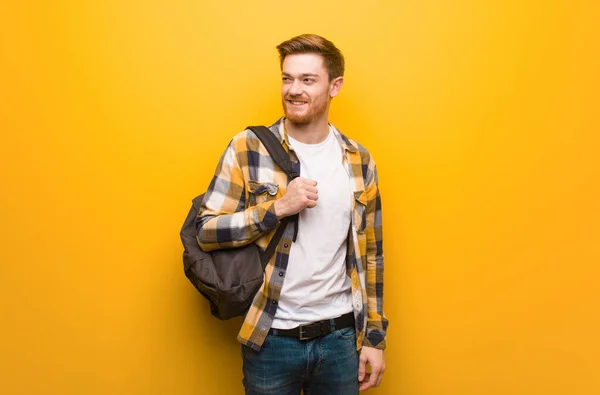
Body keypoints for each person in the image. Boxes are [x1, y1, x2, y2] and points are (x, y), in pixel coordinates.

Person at [196, 34, 388, 394]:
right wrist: (276, 208)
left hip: (341, 339)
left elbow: (372, 257)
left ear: (335, 86)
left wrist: (374, 339)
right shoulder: (247, 148)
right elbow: (206, 230)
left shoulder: (360, 161)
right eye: (287, 78)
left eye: (307, 80)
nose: (293, 90)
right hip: (271, 338)